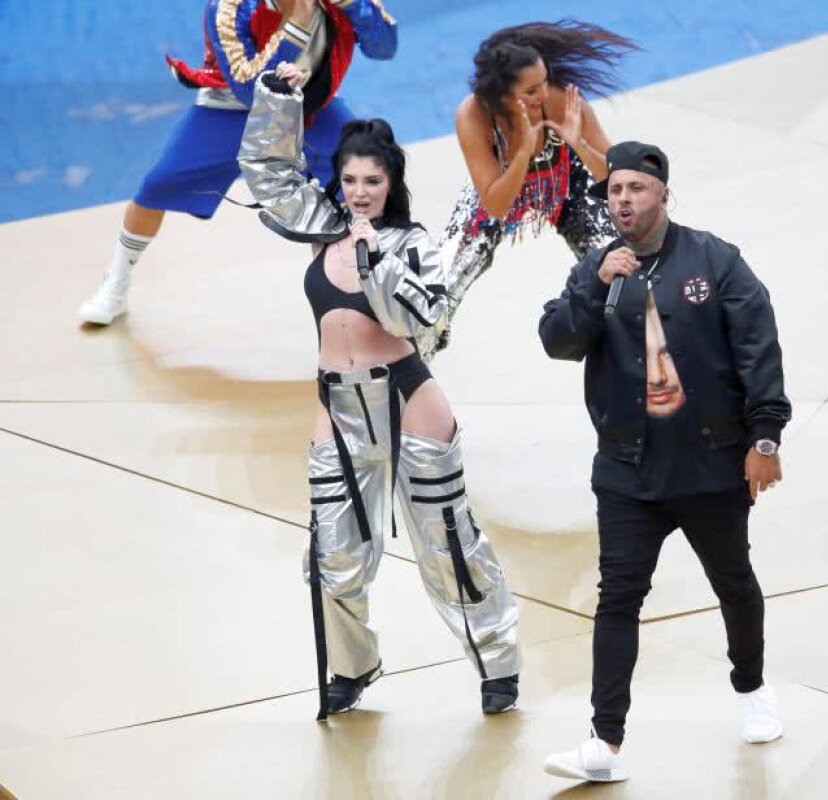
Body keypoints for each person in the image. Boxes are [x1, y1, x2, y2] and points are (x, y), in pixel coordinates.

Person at [238, 67, 520, 718]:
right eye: (351, 179)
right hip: (336, 408)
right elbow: (269, 176)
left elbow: (420, 321)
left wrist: (376, 262)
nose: (360, 192)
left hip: (406, 403)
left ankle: (497, 663)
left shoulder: (411, 246)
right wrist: (279, 101)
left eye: (374, 180)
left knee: (447, 548)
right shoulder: (320, 224)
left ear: (391, 185)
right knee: (332, 557)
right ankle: (353, 667)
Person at [538, 142, 791, 782]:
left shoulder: (715, 260)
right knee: (617, 597)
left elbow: (758, 347)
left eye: (635, 189)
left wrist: (764, 439)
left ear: (662, 196)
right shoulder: (599, 270)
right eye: (614, 191)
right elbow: (558, 341)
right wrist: (594, 289)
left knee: (733, 581)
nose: (623, 200)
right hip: (628, 470)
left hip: (710, 463)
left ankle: (752, 688)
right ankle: (605, 743)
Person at [79, 0, 397, 327]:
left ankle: (378, 282)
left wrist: (355, 5)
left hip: (307, 108)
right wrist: (296, 28)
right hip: (230, 110)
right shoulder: (228, 8)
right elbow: (250, 90)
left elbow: (385, 47)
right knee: (158, 186)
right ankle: (115, 282)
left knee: (364, 174)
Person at [414, 19, 637, 360]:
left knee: (623, 275)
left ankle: (633, 361)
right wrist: (519, 153)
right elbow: (495, 206)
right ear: (502, 95)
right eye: (531, 91)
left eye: (544, 83)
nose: (543, 94)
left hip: (566, 185)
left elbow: (618, 178)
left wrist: (579, 145)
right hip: (499, 188)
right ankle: (409, 376)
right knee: (437, 291)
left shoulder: (560, 101)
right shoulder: (472, 116)